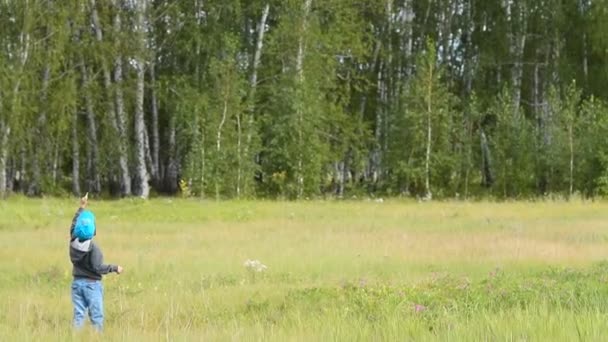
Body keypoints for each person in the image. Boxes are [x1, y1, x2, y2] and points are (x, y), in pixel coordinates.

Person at [69, 193, 123, 331]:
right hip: (92, 285)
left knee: (79, 315)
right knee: (96, 317)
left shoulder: (73, 241)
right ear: (93, 230)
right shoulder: (94, 249)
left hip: (76, 284)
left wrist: (81, 207)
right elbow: (98, 267)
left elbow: (74, 224)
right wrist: (114, 268)